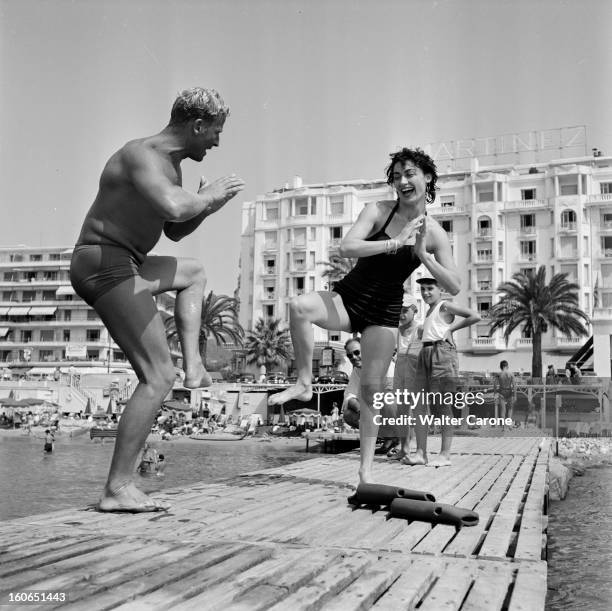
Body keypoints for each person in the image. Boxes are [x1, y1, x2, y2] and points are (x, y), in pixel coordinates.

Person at [69, 87, 244, 512]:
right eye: (215, 133)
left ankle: (196, 369)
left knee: (194, 272)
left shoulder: (173, 168)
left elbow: (175, 229)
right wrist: (208, 196)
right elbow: (173, 205)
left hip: (129, 262)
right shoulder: (141, 155)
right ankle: (117, 488)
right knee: (155, 376)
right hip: (103, 262)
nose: (217, 142)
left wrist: (206, 207)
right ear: (197, 126)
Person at [269, 148, 460, 484]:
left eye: (410, 173)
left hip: (385, 313)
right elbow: (347, 247)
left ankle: (366, 472)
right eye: (397, 176)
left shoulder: (434, 233)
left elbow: (454, 285)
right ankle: (303, 382)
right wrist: (394, 243)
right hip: (349, 296)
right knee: (299, 307)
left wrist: (423, 258)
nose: (402, 181)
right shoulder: (379, 211)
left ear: (427, 178)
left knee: (371, 391)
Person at [405, 277, 480, 467]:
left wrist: (450, 330)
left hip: (442, 353)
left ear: (440, 290)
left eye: (430, 288)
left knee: (441, 406)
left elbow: (475, 316)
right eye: (422, 289)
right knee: (419, 404)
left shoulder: (445, 306)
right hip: (426, 353)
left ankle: (445, 454)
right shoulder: (430, 311)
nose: (426, 292)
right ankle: (421, 453)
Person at [389, 293, 422, 461]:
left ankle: (420, 451)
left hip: (415, 370)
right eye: (398, 311)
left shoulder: (420, 329)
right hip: (400, 369)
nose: (401, 315)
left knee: (417, 412)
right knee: (402, 411)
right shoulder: (395, 330)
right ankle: (404, 448)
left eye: (404, 311)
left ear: (414, 310)